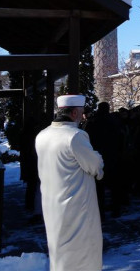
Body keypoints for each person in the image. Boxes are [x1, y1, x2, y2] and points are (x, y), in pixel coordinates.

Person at [35, 94, 104, 271]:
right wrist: (98, 159)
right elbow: (94, 165)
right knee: (82, 253)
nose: (83, 117)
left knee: (60, 252)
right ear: (74, 113)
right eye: (81, 113)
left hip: (52, 203)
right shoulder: (75, 136)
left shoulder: (42, 135)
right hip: (76, 204)